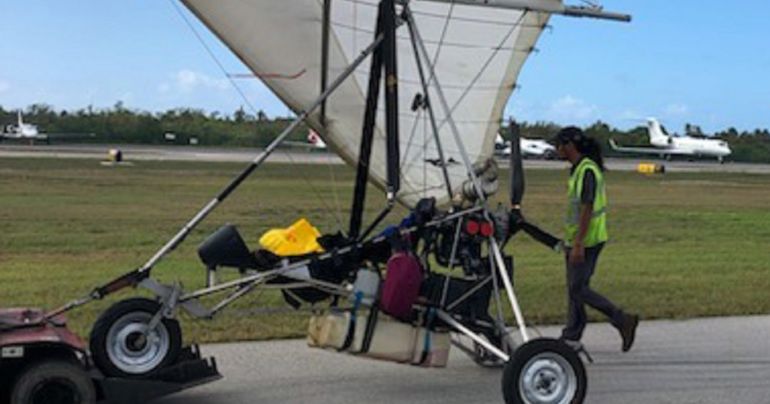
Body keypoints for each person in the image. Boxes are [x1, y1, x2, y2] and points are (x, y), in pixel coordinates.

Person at [552, 126, 639, 352]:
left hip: (588, 240)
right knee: (576, 288)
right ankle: (572, 335)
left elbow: (587, 207)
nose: (557, 149)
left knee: (578, 289)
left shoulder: (587, 170)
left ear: (569, 145)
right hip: (580, 239)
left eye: (559, 145)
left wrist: (579, 243)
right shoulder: (579, 168)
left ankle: (621, 319)